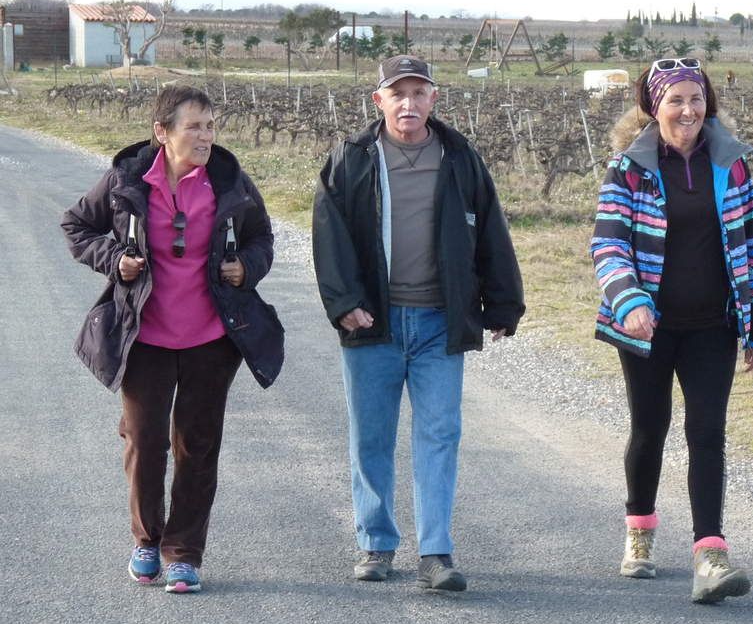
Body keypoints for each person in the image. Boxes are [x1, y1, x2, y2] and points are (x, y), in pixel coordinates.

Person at [62, 85, 284, 593]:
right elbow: (77, 225)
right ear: (162, 132)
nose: (205, 136)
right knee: (145, 441)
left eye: (210, 126)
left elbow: (262, 238)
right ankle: (146, 541)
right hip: (144, 336)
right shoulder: (126, 181)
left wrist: (246, 267)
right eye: (194, 127)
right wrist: (114, 259)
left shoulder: (229, 182)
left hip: (212, 338)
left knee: (197, 444)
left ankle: (183, 553)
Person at [313, 55, 524, 590]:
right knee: (371, 437)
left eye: (418, 93)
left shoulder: (460, 158)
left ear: (434, 99)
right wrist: (344, 302)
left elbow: (490, 230)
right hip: (372, 322)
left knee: (440, 434)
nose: (408, 103)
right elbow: (329, 236)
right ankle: (376, 542)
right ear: (378, 100)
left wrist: (504, 303)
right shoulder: (351, 158)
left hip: (439, 321)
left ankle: (435, 553)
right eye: (397, 93)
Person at [590, 57, 753, 604]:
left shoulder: (731, 166)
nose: (688, 110)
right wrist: (629, 300)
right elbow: (608, 242)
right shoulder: (629, 168)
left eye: (696, 98)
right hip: (647, 326)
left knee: (708, 432)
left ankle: (710, 554)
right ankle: (640, 531)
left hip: (712, 325)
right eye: (676, 99)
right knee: (649, 428)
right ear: (654, 107)